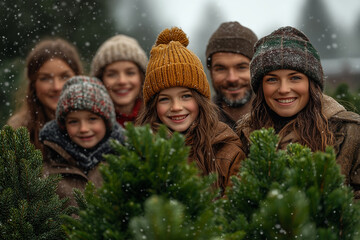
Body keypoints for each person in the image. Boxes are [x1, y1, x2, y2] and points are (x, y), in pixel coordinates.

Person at [236, 26, 360, 199]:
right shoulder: (244, 134)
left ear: (311, 83)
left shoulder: (350, 132)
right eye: (272, 79)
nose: (284, 89)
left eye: (295, 78)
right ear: (260, 87)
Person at [136, 27, 244, 195]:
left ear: (200, 100)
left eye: (186, 96)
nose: (176, 107)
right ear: (152, 106)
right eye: (164, 99)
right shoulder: (141, 150)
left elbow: (235, 207)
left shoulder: (224, 148)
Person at [39, 76, 125, 206]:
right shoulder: (48, 164)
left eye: (92, 119)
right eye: (73, 121)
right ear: (63, 126)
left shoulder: (124, 158)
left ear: (107, 122)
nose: (83, 129)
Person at [7, 38, 83, 151]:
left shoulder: (96, 128)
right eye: (45, 78)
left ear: (78, 79)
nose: (56, 87)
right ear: (33, 84)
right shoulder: (18, 134)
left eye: (64, 77)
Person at [205, 21, 258, 130]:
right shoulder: (199, 124)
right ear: (211, 72)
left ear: (257, 68)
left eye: (241, 67)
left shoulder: (280, 119)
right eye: (221, 69)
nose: (232, 78)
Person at [91, 34, 148, 127]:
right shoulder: (88, 125)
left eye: (130, 73)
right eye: (112, 74)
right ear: (100, 79)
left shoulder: (159, 118)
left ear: (142, 77)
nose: (122, 81)